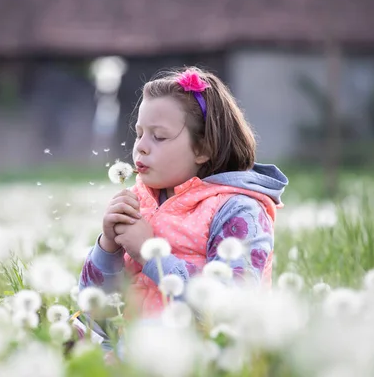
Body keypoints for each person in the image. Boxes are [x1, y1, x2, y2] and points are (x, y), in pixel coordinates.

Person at [77, 66, 288, 340]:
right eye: (139, 133)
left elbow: (230, 308)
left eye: (159, 136)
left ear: (203, 148)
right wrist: (107, 246)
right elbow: (95, 310)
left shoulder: (237, 210)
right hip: (129, 352)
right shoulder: (138, 202)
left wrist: (149, 255)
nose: (140, 146)